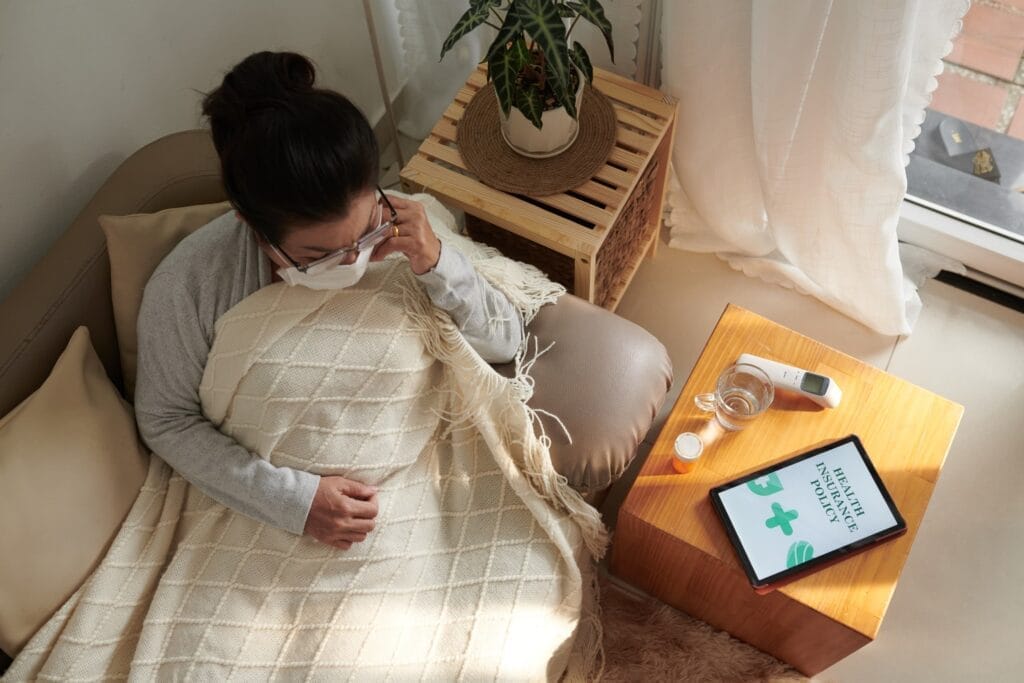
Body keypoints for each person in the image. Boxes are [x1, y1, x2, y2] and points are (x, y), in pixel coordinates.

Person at [134, 51, 524, 552]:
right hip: (287, 516)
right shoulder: (188, 287)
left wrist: (437, 262)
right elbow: (165, 420)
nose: (351, 262)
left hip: (428, 473)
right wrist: (295, 501)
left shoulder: (405, 226)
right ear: (251, 227)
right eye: (318, 254)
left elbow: (502, 341)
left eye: (363, 233)